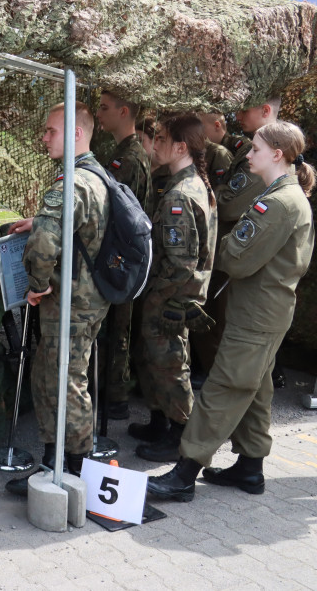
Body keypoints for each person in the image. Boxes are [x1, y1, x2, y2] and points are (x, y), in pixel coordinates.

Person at [147, 121, 315, 501]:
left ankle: (185, 473)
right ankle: (250, 467)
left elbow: (236, 260)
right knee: (255, 386)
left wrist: (213, 243)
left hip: (257, 315)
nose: (249, 155)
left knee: (224, 386)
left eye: (256, 149)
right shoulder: (283, 195)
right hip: (265, 311)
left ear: (277, 154)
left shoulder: (278, 203)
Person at [5, 101, 110, 497]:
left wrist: (37, 282)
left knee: (64, 382)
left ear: (76, 134)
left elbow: (46, 243)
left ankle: (73, 472)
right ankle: (57, 462)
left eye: (51, 131)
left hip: (70, 302)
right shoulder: (95, 177)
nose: (44, 138)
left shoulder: (71, 183)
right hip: (86, 298)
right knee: (56, 377)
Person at [131, 114, 218, 462]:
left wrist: (155, 291)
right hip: (176, 293)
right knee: (155, 358)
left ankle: (180, 435)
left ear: (181, 147)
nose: (157, 143)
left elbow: (181, 263)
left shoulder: (180, 194)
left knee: (170, 364)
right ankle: (160, 422)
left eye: (163, 138)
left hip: (172, 295)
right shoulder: (190, 183)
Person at [199, 98, 284, 386]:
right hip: (239, 250)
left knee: (227, 321)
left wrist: (210, 189)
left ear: (266, 111)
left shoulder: (259, 155)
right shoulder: (249, 150)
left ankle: (224, 383)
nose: (238, 115)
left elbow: (230, 205)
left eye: (245, 109)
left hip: (241, 253)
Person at [94, 91, 151, 421]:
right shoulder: (123, 152)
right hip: (124, 252)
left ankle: (114, 396)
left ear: (124, 111)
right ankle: (113, 393)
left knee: (118, 326)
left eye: (105, 108)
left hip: (122, 254)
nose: (101, 114)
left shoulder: (128, 157)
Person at [198, 111, 234, 185]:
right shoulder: (208, 150)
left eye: (201, 128)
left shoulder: (219, 152)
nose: (199, 132)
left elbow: (222, 189)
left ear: (217, 126)